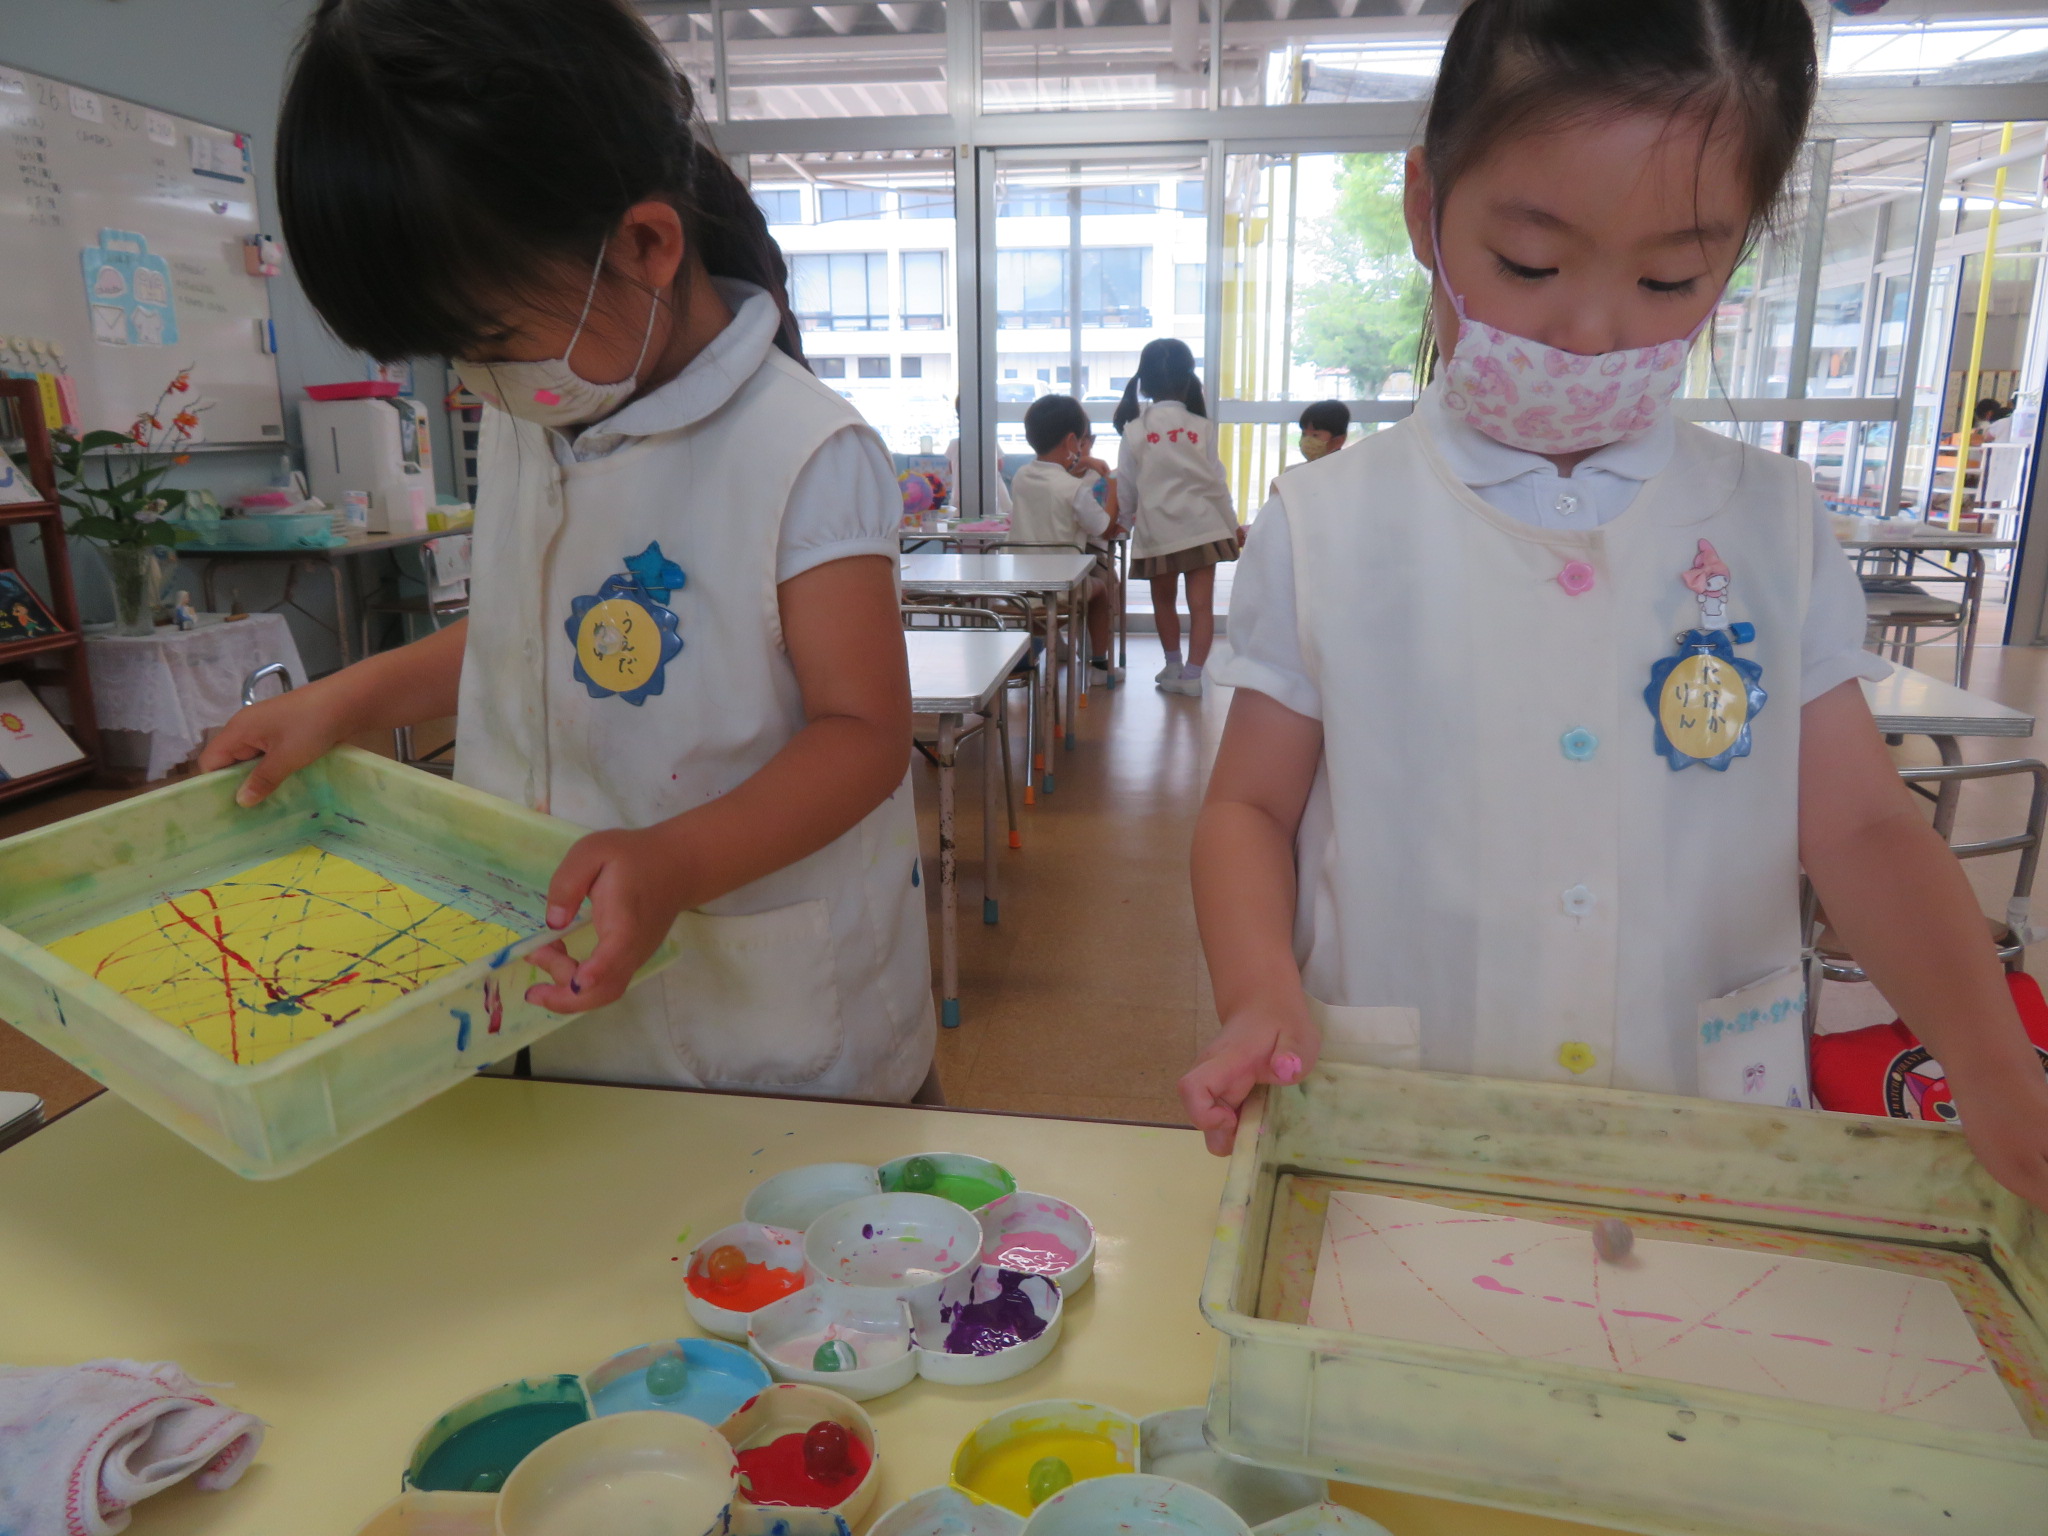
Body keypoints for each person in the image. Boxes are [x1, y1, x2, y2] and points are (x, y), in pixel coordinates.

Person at [1184, 0, 2048, 1215]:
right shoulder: (1328, 523)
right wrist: (1258, 985)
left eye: (1666, 277)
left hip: (1704, 1135)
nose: (1591, 330)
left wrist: (1991, 1061)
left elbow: (1857, 828)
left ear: (1734, 254)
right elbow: (1249, 807)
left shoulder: (1767, 522)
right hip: (1405, 1133)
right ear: (1427, 209)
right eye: (1529, 265)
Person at [199, 0, 936, 1102]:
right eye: (449, 355)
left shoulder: (803, 450)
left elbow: (866, 736)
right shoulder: (534, 418)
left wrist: (676, 858)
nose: (470, 385)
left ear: (645, 245)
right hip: (565, 1003)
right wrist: (345, 701)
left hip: (774, 1038)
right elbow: (531, 632)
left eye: (487, 341)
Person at [1113, 339, 1241, 697]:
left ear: (1145, 383)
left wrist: (1124, 520)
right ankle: (1194, 677)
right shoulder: (1202, 427)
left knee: (1163, 601)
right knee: (1202, 607)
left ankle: (1172, 665)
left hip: (1158, 532)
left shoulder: (1135, 429)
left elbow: (1126, 484)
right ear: (1188, 379)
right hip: (1204, 527)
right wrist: (1231, 525)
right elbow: (1217, 480)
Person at [1009, 394, 1122, 681]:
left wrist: (1082, 465)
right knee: (1100, 589)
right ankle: (1098, 665)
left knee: (1041, 608)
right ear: (1073, 441)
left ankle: (1032, 655)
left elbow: (1054, 478)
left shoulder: (1021, 477)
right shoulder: (1074, 490)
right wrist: (1112, 484)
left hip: (1020, 587)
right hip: (1061, 588)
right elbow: (1102, 525)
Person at [946, 394, 1013, 521]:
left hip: (961, 496)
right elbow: (999, 465)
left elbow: (951, 468)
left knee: (961, 523)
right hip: (991, 494)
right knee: (993, 522)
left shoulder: (955, 443)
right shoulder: (989, 442)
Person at [1269, 399, 1352, 499]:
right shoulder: (1290, 475)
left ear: (1338, 440)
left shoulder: (1350, 476)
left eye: (1315, 435)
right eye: (1304, 434)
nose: (1307, 440)